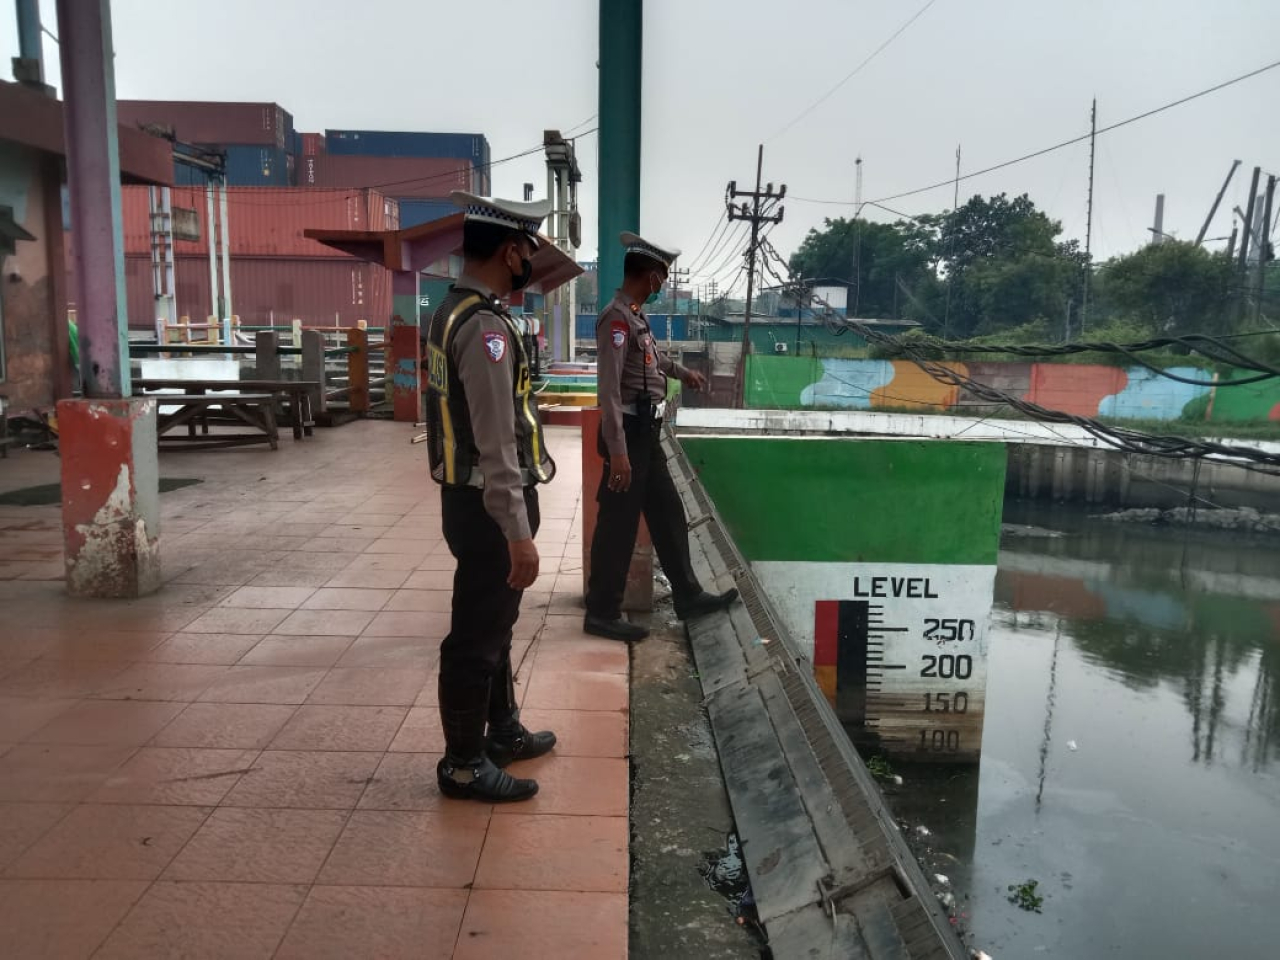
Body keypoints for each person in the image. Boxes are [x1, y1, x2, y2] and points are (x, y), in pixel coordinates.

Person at [423, 190, 558, 802]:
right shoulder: (484, 328)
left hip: (471, 501)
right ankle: (462, 764)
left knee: (496, 624)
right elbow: (496, 439)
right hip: (486, 506)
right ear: (510, 251)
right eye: (528, 250)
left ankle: (500, 731)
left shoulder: (451, 310)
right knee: (477, 635)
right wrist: (517, 531)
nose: (528, 262)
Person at [585, 232, 738, 642]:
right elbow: (610, 392)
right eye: (662, 278)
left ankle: (687, 595)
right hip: (629, 437)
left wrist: (682, 372)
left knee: (669, 514)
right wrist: (618, 453)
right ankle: (601, 611)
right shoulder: (615, 319)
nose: (664, 285)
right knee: (617, 526)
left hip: (645, 435)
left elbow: (651, 359)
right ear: (651, 277)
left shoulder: (634, 316)